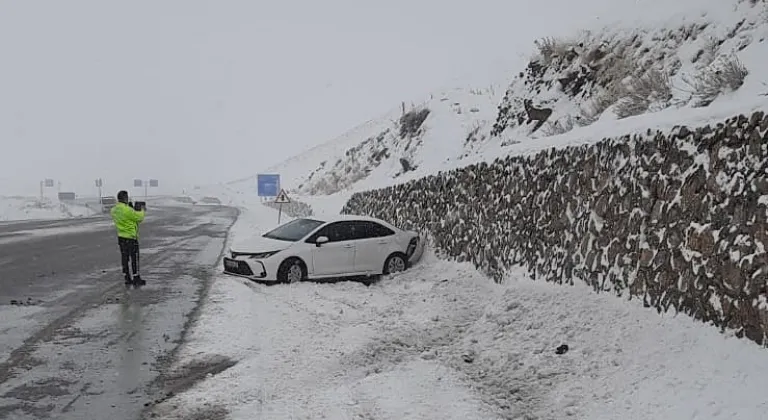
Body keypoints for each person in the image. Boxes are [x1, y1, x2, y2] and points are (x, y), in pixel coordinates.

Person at [110, 190, 146, 286]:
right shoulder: (127, 210)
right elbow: (139, 218)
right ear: (125, 198)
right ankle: (136, 277)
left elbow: (125, 216)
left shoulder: (113, 210)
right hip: (131, 237)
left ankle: (127, 277)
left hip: (121, 237)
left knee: (125, 258)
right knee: (134, 258)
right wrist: (141, 209)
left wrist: (130, 208)